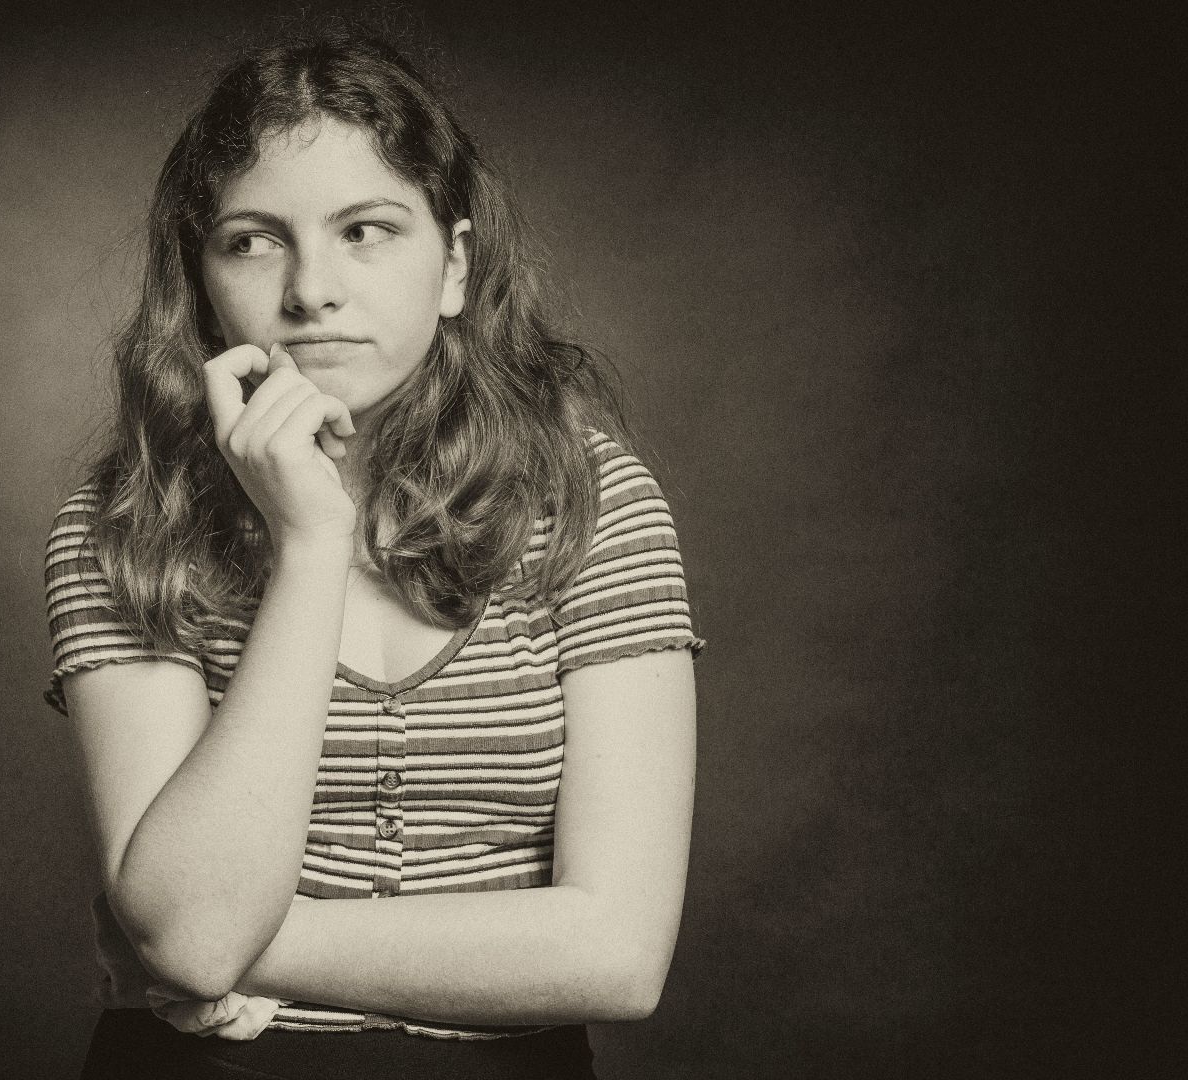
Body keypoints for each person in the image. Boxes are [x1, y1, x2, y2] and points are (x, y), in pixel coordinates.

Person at [43, 25, 703, 1080]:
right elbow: (195, 930)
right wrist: (309, 550)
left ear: (454, 267)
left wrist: (241, 947)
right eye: (252, 239)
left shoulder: (590, 497)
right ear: (200, 279)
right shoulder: (128, 519)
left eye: (367, 230)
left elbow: (620, 957)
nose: (312, 289)